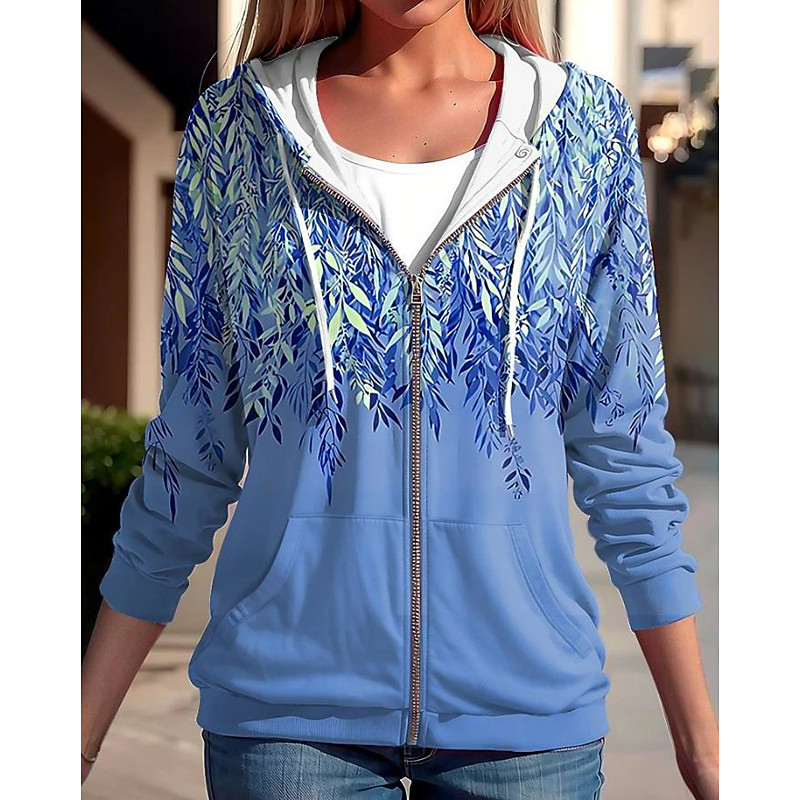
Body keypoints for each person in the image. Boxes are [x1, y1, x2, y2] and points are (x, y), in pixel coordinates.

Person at [81, 1, 719, 797]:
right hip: (286, 720)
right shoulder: (240, 129)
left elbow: (625, 451)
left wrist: (703, 748)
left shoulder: (583, 131)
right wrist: (79, 734)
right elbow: (189, 454)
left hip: (526, 720)